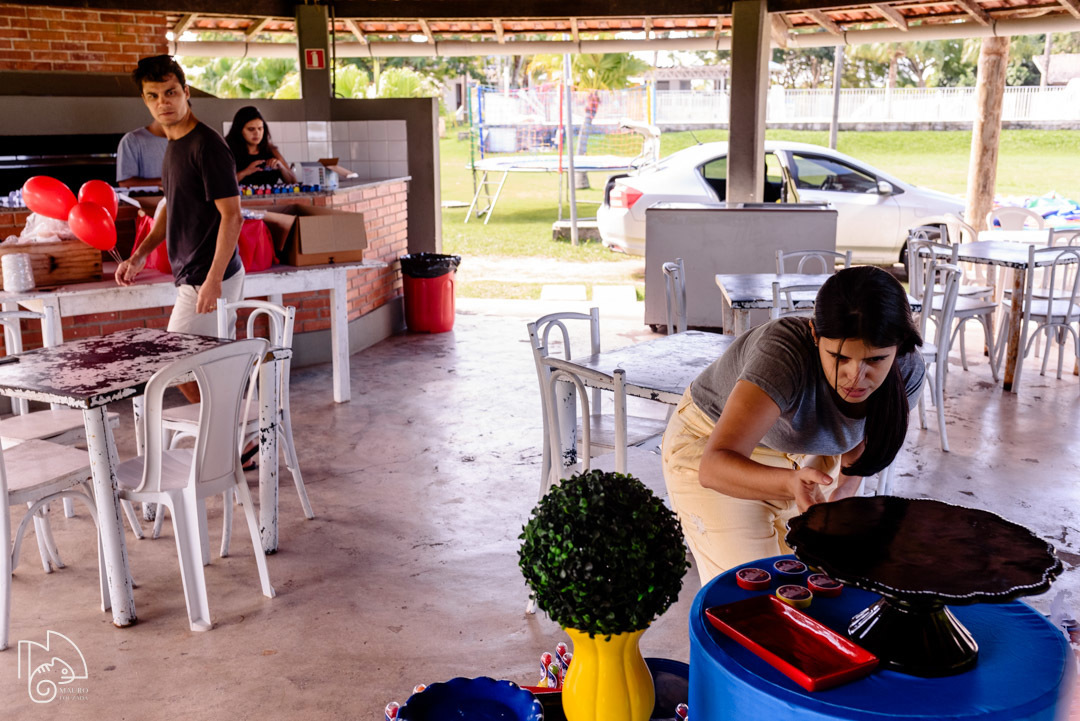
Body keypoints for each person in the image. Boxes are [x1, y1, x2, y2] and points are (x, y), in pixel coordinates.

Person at [661, 266, 925, 585]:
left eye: (875, 360)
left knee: (815, 584)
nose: (856, 377)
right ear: (815, 335)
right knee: (756, 594)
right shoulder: (783, 352)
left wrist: (843, 491)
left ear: (899, 347)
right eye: (840, 358)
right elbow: (714, 467)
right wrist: (789, 482)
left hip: (807, 463)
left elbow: (863, 435)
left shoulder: (906, 371)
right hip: (718, 450)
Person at [115, 55, 245, 403]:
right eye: (153, 96)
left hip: (209, 275)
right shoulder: (174, 144)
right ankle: (233, 442)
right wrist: (140, 253)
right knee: (203, 366)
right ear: (145, 100)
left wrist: (214, 280)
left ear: (186, 92)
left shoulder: (207, 146)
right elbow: (170, 207)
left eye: (170, 92)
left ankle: (233, 441)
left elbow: (233, 216)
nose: (163, 103)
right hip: (193, 273)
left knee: (173, 362)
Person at [224, 106, 297, 185]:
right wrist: (245, 172)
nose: (257, 133)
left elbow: (293, 182)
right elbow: (221, 184)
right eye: (251, 129)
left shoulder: (271, 150)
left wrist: (281, 167)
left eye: (260, 128)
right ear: (239, 130)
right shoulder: (228, 151)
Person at [116, 120, 169, 188]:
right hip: (150, 198)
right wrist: (165, 182)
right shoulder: (131, 140)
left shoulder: (185, 141)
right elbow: (126, 183)